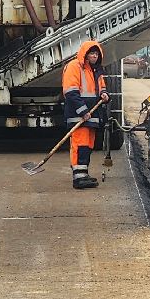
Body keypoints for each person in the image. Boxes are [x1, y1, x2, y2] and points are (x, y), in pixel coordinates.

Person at [61, 39, 109, 190]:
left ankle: (83, 174)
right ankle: (78, 178)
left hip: (91, 115)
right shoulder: (74, 67)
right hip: (79, 115)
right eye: (92, 53)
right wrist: (83, 111)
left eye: (96, 54)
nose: (95, 56)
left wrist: (104, 95)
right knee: (80, 144)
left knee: (87, 145)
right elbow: (70, 92)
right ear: (85, 54)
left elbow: (102, 87)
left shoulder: (96, 70)